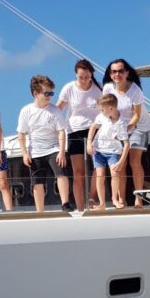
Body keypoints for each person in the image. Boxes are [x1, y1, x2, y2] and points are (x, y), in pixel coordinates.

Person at [101, 58, 150, 207]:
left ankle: (139, 198)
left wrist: (126, 129)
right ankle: (121, 199)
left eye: (120, 71)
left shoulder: (135, 90)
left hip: (138, 126)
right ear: (110, 75)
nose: (117, 74)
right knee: (120, 164)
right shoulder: (108, 89)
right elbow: (105, 110)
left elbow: (136, 115)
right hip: (119, 128)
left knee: (134, 161)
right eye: (114, 71)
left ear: (127, 73)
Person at [17, 75, 72, 212]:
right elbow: (21, 134)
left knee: (61, 173)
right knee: (37, 181)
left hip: (53, 149)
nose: (50, 96)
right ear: (36, 94)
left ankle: (65, 204)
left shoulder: (55, 110)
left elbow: (61, 132)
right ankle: (39, 211)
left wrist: (61, 152)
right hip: (35, 151)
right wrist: (24, 154)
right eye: (47, 93)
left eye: (51, 93)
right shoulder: (26, 111)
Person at [57, 59, 102, 210]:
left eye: (86, 77)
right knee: (79, 172)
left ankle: (92, 197)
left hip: (95, 130)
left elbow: (106, 108)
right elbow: (58, 109)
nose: (83, 80)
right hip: (74, 130)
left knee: (99, 167)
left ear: (91, 75)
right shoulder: (69, 88)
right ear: (76, 75)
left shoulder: (98, 89)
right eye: (80, 77)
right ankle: (80, 207)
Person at [86, 94, 131, 210]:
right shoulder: (102, 116)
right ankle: (102, 204)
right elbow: (93, 127)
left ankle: (114, 199)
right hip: (98, 150)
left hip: (113, 151)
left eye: (102, 109)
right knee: (100, 176)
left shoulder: (121, 123)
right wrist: (89, 143)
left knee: (115, 174)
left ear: (111, 108)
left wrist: (121, 161)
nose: (101, 111)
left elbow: (126, 144)